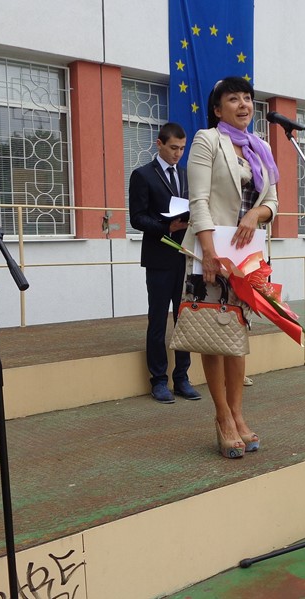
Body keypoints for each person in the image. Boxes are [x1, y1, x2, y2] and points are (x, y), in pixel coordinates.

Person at [183, 76, 279, 458]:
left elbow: (273, 202)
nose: (244, 105)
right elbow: (198, 200)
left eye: (248, 98)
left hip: (246, 257)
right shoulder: (207, 140)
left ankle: (238, 414)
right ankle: (222, 417)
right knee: (213, 332)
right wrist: (208, 253)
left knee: (237, 336)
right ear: (218, 109)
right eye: (234, 99)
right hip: (211, 252)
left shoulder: (261, 147)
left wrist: (256, 213)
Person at [128, 123, 201, 404]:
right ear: (159, 144)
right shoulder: (142, 175)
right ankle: (159, 380)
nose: (178, 154)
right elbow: (137, 218)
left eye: (182, 149)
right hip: (159, 258)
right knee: (158, 320)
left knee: (185, 319)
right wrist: (165, 227)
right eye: (173, 148)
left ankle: (182, 378)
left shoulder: (186, 175)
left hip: (186, 257)